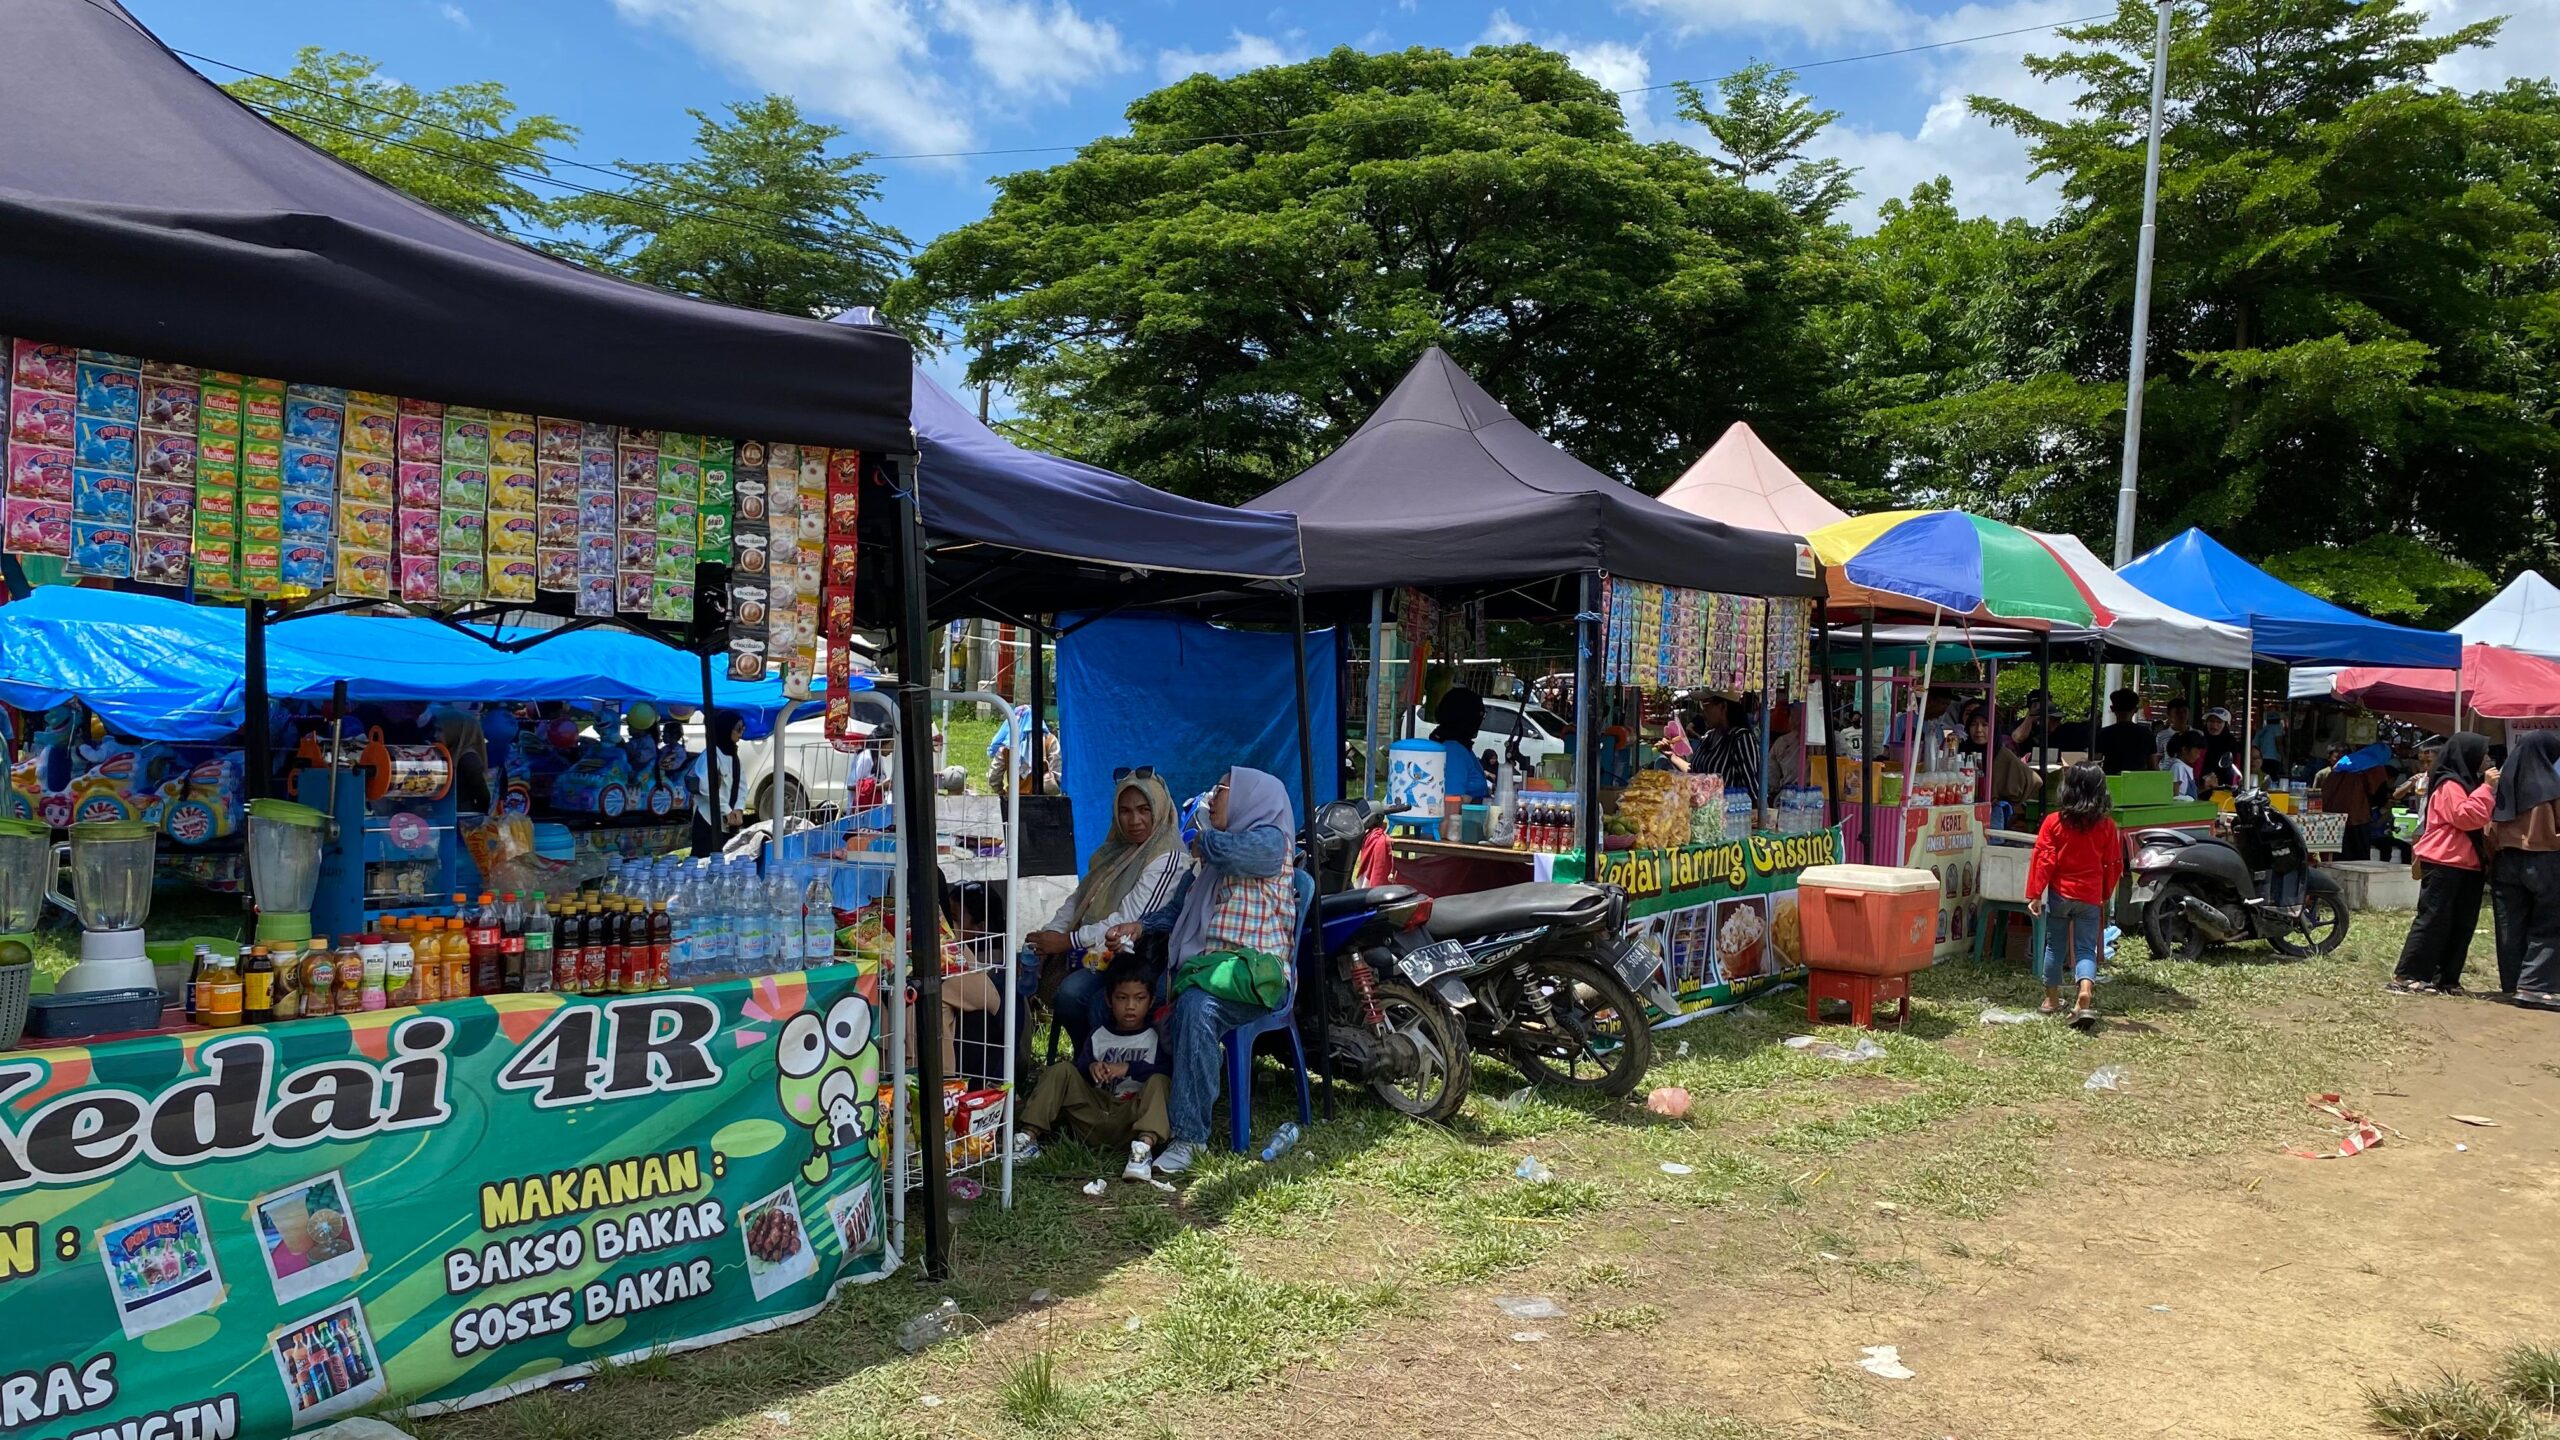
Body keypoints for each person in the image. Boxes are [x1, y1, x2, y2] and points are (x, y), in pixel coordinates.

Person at [1111, 767, 1299, 1175]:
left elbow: (1234, 852)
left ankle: (1189, 1136)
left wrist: (1202, 836)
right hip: (1209, 974)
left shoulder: (1271, 841)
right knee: (1124, 992)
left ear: (1250, 797)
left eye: (1221, 790)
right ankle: (1126, 1103)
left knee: (1195, 1007)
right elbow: (1177, 911)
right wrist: (1139, 927)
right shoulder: (1209, 865)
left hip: (1255, 977)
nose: (1212, 798)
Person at [1028, 771, 1191, 1043]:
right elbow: (1081, 898)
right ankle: (1088, 1058)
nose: (1134, 820)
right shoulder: (1117, 848)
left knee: (1072, 993)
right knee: (1030, 964)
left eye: (1144, 810)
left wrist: (1066, 942)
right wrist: (1049, 937)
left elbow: (1127, 920)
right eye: (1125, 811)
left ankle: (1090, 1055)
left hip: (1137, 960)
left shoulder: (1168, 858)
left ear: (1160, 810)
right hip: (1096, 951)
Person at [1012, 959, 1171, 1180]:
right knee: (1061, 1070)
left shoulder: (1154, 1037)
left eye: (1139, 998)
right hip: (1094, 1115)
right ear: (1108, 1000)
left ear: (1151, 1000)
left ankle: (1142, 1151)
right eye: (1122, 998)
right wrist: (1092, 1067)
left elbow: (1167, 1072)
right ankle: (1028, 1137)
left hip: (1131, 1120)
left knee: (1160, 1080)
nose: (1130, 1006)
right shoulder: (1099, 1034)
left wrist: (1129, 1068)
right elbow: (1079, 1074)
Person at [2390, 734, 2499, 995]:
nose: (2487, 759)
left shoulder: (2468, 783)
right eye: (2483, 754)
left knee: (2461, 923)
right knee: (2433, 919)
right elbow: (2465, 817)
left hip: (2468, 864)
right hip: (2444, 860)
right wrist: (2486, 788)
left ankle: (2446, 978)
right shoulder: (2449, 783)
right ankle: (2408, 975)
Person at [2027, 761, 2122, 1029]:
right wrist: (2105, 893)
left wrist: (2035, 894)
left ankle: (2051, 1000)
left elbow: (2044, 860)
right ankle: (2085, 992)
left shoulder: (2053, 822)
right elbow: (2113, 864)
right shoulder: (2107, 826)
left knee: (2054, 946)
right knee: (2085, 949)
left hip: (2060, 896)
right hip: (2090, 896)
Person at [2487, 727, 2560, 1008]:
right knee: (2549, 923)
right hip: (2545, 861)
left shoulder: (2502, 788)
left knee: (2509, 925)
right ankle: (2535, 986)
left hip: (2505, 861)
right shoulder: (2552, 787)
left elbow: (2488, 828)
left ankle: (2513, 983)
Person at [689, 708, 745, 856]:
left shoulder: (734, 755)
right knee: (703, 861)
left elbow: (741, 785)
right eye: (738, 729)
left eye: (743, 729)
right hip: (708, 820)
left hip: (728, 823)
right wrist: (726, 810)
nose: (741, 734)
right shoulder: (711, 755)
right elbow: (706, 787)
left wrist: (738, 808)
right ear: (726, 729)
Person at [1692, 692, 1764, 807]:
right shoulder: (1709, 737)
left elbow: (1753, 791)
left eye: (1705, 705)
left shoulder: (1741, 738)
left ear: (1723, 707)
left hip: (1728, 813)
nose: (1703, 712)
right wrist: (1673, 756)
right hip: (1701, 812)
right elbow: (1694, 772)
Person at [1428, 688, 1493, 805]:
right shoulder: (1453, 750)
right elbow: (1452, 800)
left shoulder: (1461, 745)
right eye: (1480, 715)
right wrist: (1473, 799)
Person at [2319, 750, 2378, 861]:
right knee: (2359, 856)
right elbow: (2373, 791)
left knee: (2341, 855)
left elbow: (2324, 794)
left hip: (2338, 817)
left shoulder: (2334, 772)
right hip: (2358, 817)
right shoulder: (2364, 772)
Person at [2094, 689, 2156, 775]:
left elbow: (2095, 762)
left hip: (2111, 780)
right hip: (2138, 780)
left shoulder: (2104, 733)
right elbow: (2153, 767)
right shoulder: (2147, 733)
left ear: (2112, 708)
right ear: (2135, 710)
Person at [2199, 709, 2245, 790]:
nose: (2214, 725)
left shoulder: (2232, 744)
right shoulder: (2199, 740)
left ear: (2226, 724)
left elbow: (2236, 767)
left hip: (2225, 788)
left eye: (2219, 722)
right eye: (2211, 721)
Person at [2154, 699, 2192, 768]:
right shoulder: (2162, 735)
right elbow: (2157, 758)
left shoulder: (2198, 734)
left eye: (2185, 712)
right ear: (2169, 714)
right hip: (2167, 772)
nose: (2182, 715)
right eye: (2177, 712)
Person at [2168, 732, 2205, 800]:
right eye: (2196, 752)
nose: (2198, 756)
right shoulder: (2178, 767)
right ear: (2184, 749)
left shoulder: (2185, 768)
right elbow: (2174, 796)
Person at [2255, 711, 2288, 783]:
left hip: (2263, 759)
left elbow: (2255, 744)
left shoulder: (2262, 731)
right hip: (2273, 759)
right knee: (2273, 781)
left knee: (2264, 780)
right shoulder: (2277, 728)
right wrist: (2284, 758)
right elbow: (2279, 743)